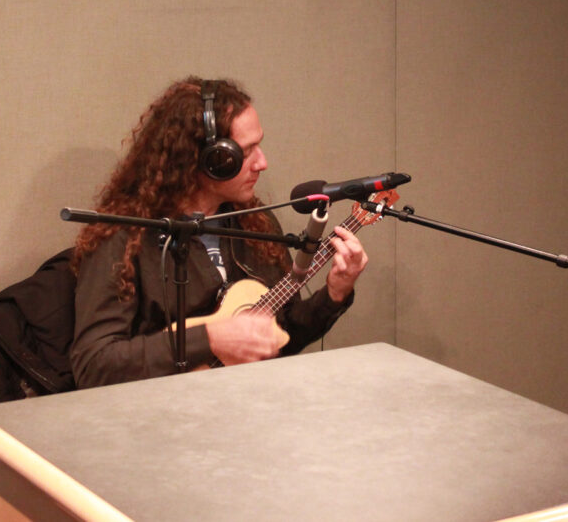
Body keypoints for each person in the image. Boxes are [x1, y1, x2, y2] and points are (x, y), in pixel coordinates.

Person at [69, 77, 368, 389]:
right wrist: (209, 339)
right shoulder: (122, 237)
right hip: (162, 417)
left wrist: (334, 294)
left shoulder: (254, 224)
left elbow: (281, 335)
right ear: (209, 160)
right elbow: (94, 365)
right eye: (247, 151)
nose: (262, 162)